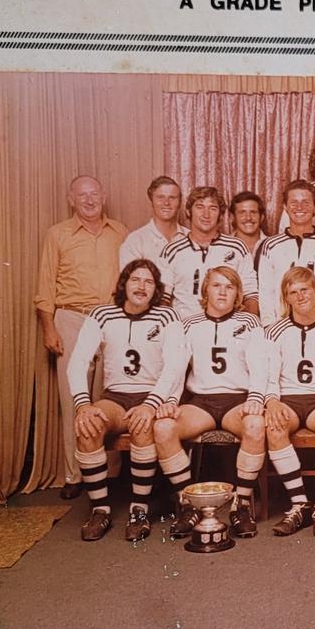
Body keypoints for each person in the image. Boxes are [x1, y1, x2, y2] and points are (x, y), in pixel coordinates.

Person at [65, 260, 185, 541]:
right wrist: (83, 405)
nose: (141, 286)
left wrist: (151, 403)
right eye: (135, 279)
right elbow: (78, 361)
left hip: (149, 394)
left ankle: (139, 510)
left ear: (156, 289)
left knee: (143, 427)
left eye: (149, 282)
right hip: (116, 397)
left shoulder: (167, 317)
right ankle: (100, 510)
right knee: (88, 424)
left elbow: (174, 365)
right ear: (124, 283)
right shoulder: (101, 315)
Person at [152, 266, 268, 538]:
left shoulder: (249, 322)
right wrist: (170, 400)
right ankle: (187, 504)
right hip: (201, 401)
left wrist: (255, 397)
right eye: (217, 285)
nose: (223, 291)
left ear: (238, 293)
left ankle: (241, 504)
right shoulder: (189, 325)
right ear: (205, 290)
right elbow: (176, 368)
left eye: (229, 287)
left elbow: (260, 366)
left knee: (255, 425)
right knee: (163, 428)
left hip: (237, 399)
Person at [33, 175, 128, 499]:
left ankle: (110, 473)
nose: (89, 200)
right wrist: (49, 326)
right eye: (82, 195)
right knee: (73, 397)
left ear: (104, 195)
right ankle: (76, 473)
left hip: (111, 319)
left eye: (94, 194)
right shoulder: (57, 234)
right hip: (72, 318)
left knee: (109, 395)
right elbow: (45, 285)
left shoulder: (120, 232)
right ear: (71, 200)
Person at [262, 267, 315, 537]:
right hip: (287, 399)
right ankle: (299, 504)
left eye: (305, 290)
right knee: (274, 426)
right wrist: (272, 400)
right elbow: (268, 371)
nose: (300, 296)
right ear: (286, 298)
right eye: (293, 292)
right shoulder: (274, 331)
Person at [158, 186, 259, 319]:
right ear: (188, 212)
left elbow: (250, 294)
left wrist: (246, 325)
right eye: (200, 207)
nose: (206, 214)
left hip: (226, 329)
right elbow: (162, 299)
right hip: (184, 329)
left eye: (213, 208)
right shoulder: (172, 251)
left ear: (220, 215)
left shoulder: (237, 248)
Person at [256, 180, 315, 325]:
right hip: (282, 325)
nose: (299, 207)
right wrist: (269, 326)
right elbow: (266, 292)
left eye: (305, 202)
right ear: (285, 207)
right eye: (294, 202)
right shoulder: (271, 245)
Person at [119, 176, 188, 270]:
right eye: (160, 197)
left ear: (179, 202)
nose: (166, 203)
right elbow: (130, 282)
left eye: (172, 198)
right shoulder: (135, 241)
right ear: (151, 200)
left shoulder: (191, 237)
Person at [229, 190, 267, 255]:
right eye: (242, 213)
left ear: (262, 217)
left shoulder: (274, 246)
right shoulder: (222, 246)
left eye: (253, 212)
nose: (248, 218)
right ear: (233, 217)